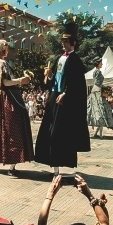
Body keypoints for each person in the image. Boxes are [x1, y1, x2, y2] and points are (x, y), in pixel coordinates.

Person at [35, 22, 90, 176]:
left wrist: (67, 94)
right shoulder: (60, 58)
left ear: (73, 43)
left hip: (65, 99)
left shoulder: (75, 60)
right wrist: (50, 75)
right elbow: (57, 79)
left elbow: (77, 83)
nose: (63, 43)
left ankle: (58, 165)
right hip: (54, 96)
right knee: (49, 130)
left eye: (66, 41)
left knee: (59, 133)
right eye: (63, 41)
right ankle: (53, 165)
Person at [0, 39, 34, 176]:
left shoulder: (1, 62)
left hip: (11, 97)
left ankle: (12, 164)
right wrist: (21, 80)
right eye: (6, 47)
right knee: (13, 131)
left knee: (14, 130)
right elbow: (4, 82)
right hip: (9, 99)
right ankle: (11, 164)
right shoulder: (1, 63)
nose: (8, 49)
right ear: (2, 49)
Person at [87, 55, 113, 139]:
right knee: (100, 111)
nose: (102, 64)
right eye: (101, 62)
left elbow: (97, 82)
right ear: (98, 63)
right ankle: (101, 134)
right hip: (97, 91)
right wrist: (105, 89)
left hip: (95, 91)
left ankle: (97, 133)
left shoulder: (96, 71)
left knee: (99, 111)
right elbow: (98, 83)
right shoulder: (98, 72)